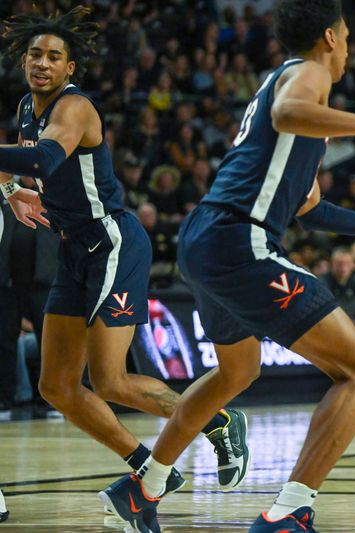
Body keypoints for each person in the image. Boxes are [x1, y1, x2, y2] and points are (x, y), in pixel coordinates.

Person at [101, 2, 355, 532]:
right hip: (237, 239)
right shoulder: (305, 75)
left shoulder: (294, 103)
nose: (349, 49)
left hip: (208, 240)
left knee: (237, 372)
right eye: (349, 38)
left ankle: (142, 488)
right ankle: (287, 513)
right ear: (331, 38)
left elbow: (310, 211)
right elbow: (289, 112)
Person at [0, 6, 247, 515]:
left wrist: (16, 174)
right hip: (71, 248)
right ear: (23, 60)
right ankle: (145, 464)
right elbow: (18, 164)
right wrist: (10, 192)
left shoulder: (75, 109)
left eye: (53, 56)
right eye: (34, 54)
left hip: (111, 242)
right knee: (56, 386)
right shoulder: (27, 107)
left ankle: (217, 420)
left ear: (71, 68)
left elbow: (44, 161)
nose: (41, 63)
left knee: (109, 380)